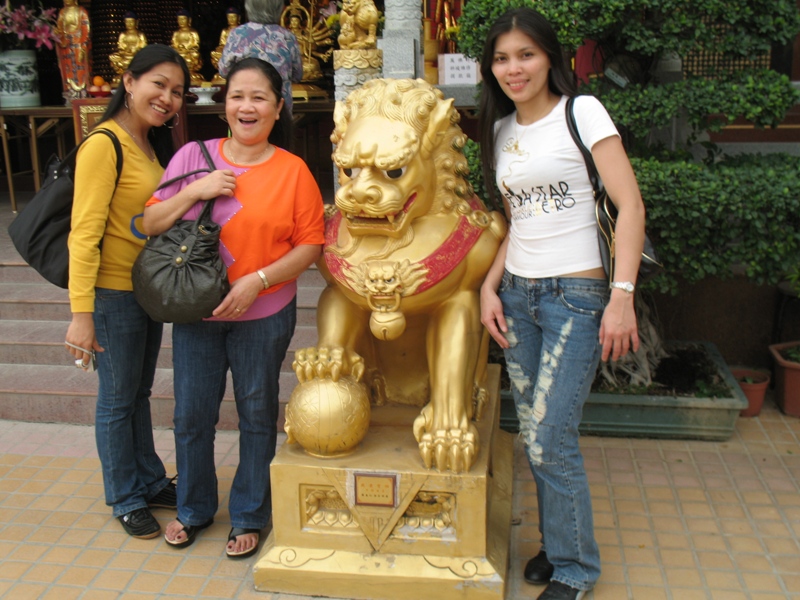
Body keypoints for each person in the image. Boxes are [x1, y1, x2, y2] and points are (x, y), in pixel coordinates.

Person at [477, 8, 646, 600]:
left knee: (552, 435)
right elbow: (513, 221)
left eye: (525, 54)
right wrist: (488, 284)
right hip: (519, 295)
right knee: (533, 430)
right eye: (502, 58)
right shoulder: (499, 131)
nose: (513, 68)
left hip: (577, 296)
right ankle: (556, 543)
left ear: (550, 57)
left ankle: (575, 569)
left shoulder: (582, 112)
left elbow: (630, 206)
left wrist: (620, 296)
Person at [142, 57, 325, 558]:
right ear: (224, 105)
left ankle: (249, 513)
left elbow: (311, 245)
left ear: (277, 106)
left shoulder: (293, 171)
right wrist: (198, 189)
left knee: (257, 412)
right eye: (237, 96)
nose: (247, 106)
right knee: (192, 415)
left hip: (264, 315)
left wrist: (258, 281)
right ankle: (195, 507)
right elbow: (151, 221)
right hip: (195, 312)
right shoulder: (193, 157)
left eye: (259, 97)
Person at [65, 44, 190, 539]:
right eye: (158, 84)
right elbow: (84, 232)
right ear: (129, 81)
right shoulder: (105, 143)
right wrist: (81, 313)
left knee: (136, 393)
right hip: (111, 295)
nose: (167, 98)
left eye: (177, 91)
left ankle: (150, 479)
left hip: (143, 291)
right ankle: (124, 496)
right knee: (117, 399)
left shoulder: (145, 144)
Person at [217, 0, 302, 115]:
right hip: (278, 108)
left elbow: (224, 70)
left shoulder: (237, 34)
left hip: (244, 105)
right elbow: (297, 75)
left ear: (249, 7)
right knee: (280, 132)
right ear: (279, 8)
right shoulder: (288, 37)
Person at [55, 0, 91, 99]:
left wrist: (83, 47)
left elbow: (86, 30)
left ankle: (83, 92)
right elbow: (60, 29)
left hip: (79, 44)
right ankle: (70, 92)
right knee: (68, 69)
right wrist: (57, 33)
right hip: (66, 45)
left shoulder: (81, 11)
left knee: (81, 67)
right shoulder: (62, 12)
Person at [109, 12, 148, 86]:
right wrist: (126, 51)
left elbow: (144, 48)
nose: (129, 24)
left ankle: (137, 75)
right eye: (127, 22)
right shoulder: (123, 35)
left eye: (131, 22)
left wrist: (136, 50)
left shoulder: (140, 34)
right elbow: (120, 48)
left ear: (136, 22)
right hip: (125, 56)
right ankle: (123, 75)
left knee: (145, 58)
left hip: (136, 56)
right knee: (113, 57)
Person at [170, 10, 204, 85]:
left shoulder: (192, 32)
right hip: (180, 53)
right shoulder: (176, 33)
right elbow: (173, 45)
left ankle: (191, 73)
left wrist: (187, 49)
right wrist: (179, 48)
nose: (181, 21)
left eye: (183, 19)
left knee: (195, 54)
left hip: (189, 53)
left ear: (189, 20)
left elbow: (196, 45)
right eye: (179, 19)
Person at [210, 7, 242, 84]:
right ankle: (222, 72)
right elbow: (222, 44)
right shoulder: (225, 31)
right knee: (215, 53)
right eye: (229, 17)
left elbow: (243, 44)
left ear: (238, 18)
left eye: (233, 17)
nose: (231, 19)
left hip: (236, 51)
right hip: (226, 50)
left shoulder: (241, 30)